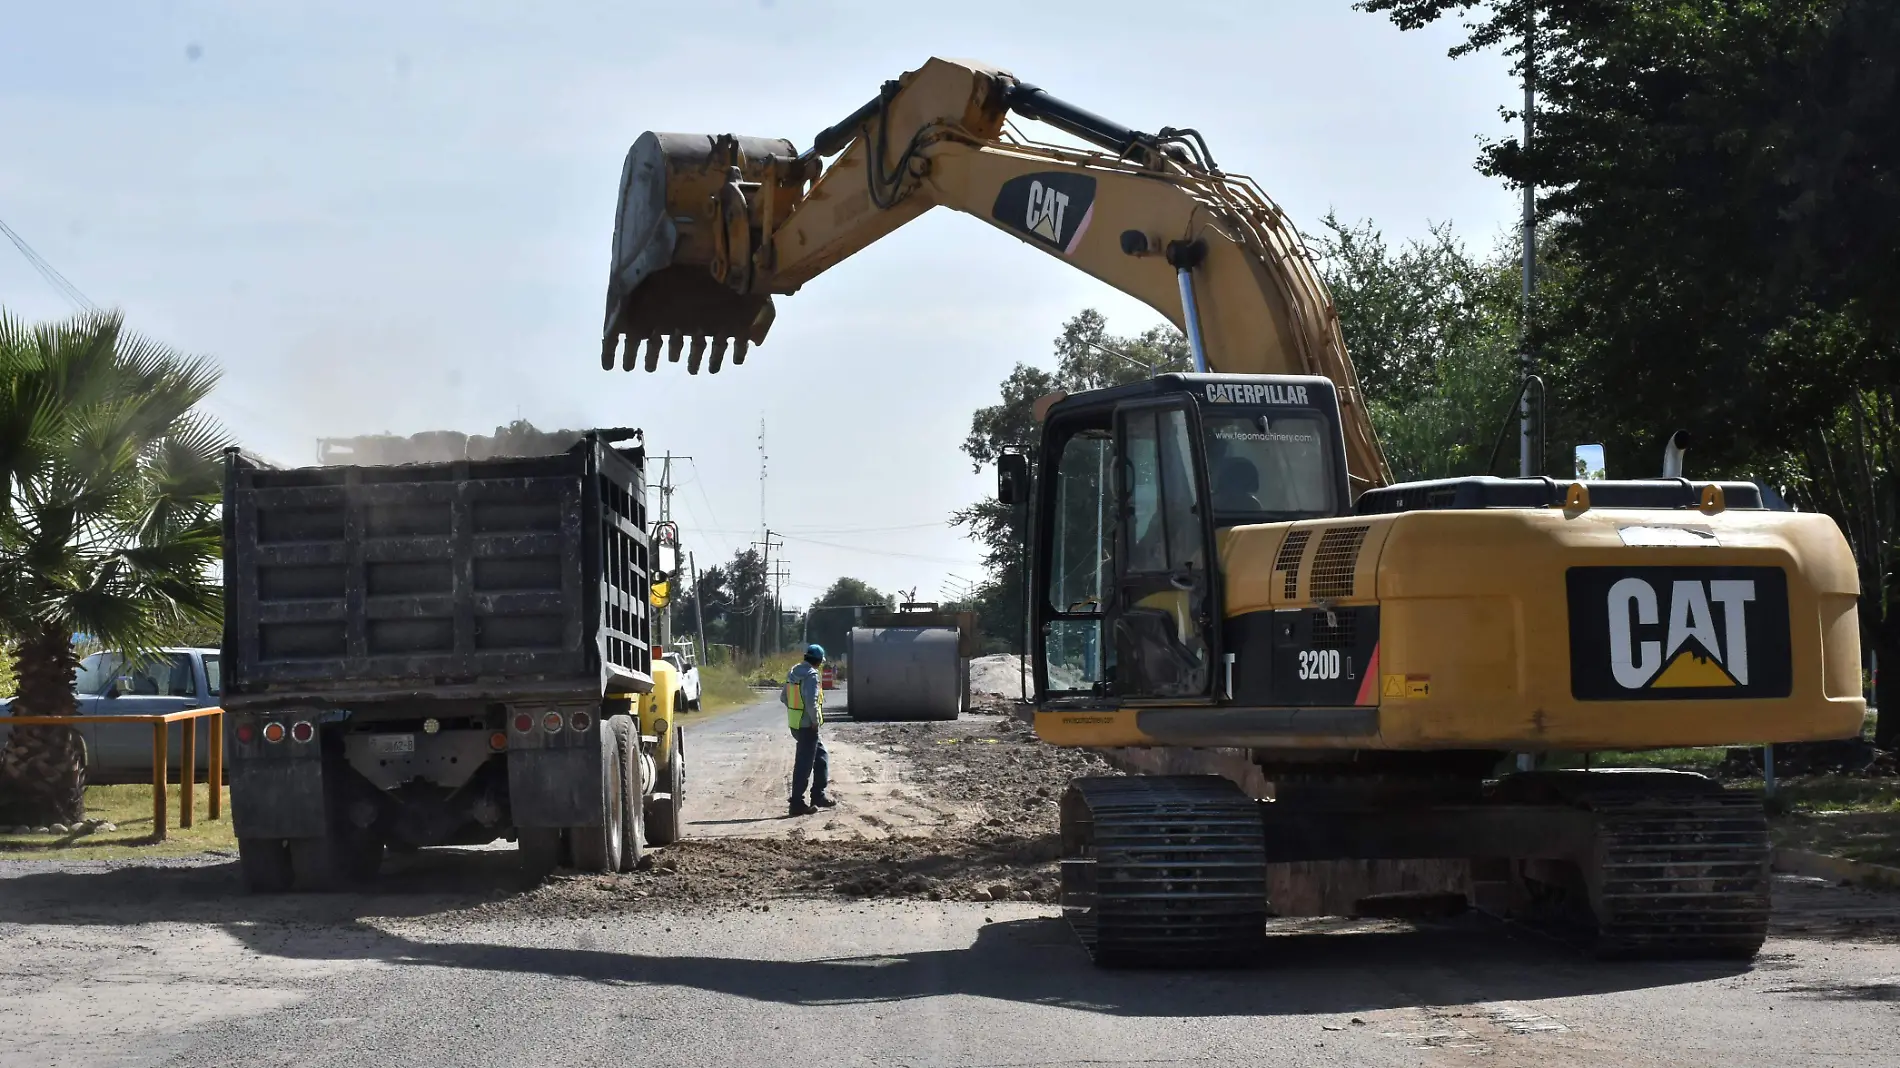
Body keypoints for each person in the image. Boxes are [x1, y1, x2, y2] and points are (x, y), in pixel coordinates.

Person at [782, 643, 836, 816]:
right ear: (819, 661)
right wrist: (813, 720)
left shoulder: (793, 672)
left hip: (797, 724)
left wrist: (796, 713)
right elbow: (811, 703)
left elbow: (784, 697)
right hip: (808, 726)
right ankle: (797, 803)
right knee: (804, 765)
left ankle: (818, 796)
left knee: (821, 757)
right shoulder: (811, 676)